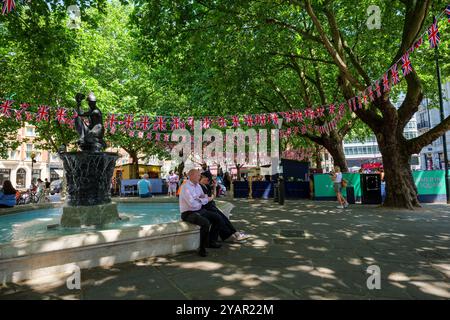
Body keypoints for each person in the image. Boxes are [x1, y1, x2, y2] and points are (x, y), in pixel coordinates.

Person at [179, 169, 223, 257]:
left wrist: (200, 199)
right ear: (191, 176)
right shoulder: (185, 187)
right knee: (205, 223)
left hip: (199, 210)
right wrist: (202, 200)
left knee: (218, 218)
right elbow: (192, 204)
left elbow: (204, 196)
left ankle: (211, 242)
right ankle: (202, 249)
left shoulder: (198, 186)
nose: (200, 177)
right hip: (188, 213)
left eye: (200, 175)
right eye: (198, 175)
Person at [199, 174, 249, 242]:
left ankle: (235, 234)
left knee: (224, 218)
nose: (209, 181)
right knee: (222, 219)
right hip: (208, 207)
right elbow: (207, 199)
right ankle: (234, 235)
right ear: (203, 178)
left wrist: (214, 187)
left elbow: (214, 195)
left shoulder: (206, 186)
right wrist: (212, 197)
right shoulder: (200, 187)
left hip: (211, 206)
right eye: (208, 179)